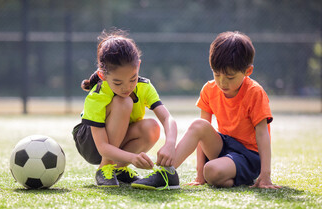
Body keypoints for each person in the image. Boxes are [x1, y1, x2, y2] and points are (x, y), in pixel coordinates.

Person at [134, 31, 281, 189]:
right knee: (199, 125)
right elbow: (201, 135)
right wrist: (199, 175)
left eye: (230, 77)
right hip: (224, 146)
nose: (222, 82)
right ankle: (166, 173)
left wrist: (265, 175)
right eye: (217, 74)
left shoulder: (255, 92)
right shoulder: (209, 89)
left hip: (248, 156)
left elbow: (262, 133)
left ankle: (226, 174)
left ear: (248, 71)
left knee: (210, 171)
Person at [72, 29, 179, 188]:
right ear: (102, 76)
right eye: (117, 83)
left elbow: (167, 118)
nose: (127, 87)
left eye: (132, 79)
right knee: (124, 101)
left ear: (139, 66)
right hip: (91, 143)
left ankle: (118, 169)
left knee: (152, 127)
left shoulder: (144, 86)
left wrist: (170, 143)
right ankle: (105, 167)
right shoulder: (97, 96)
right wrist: (132, 158)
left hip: (118, 140)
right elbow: (102, 147)